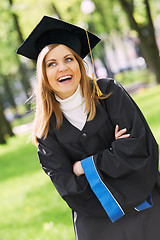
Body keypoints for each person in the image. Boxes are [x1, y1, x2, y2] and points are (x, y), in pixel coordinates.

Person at [17, 15, 160, 240]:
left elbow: (139, 150)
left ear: (79, 62)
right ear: (43, 73)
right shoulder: (46, 129)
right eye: (51, 63)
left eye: (68, 59)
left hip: (147, 208)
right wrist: (114, 152)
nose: (62, 68)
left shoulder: (109, 94)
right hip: (97, 225)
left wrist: (83, 167)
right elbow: (69, 188)